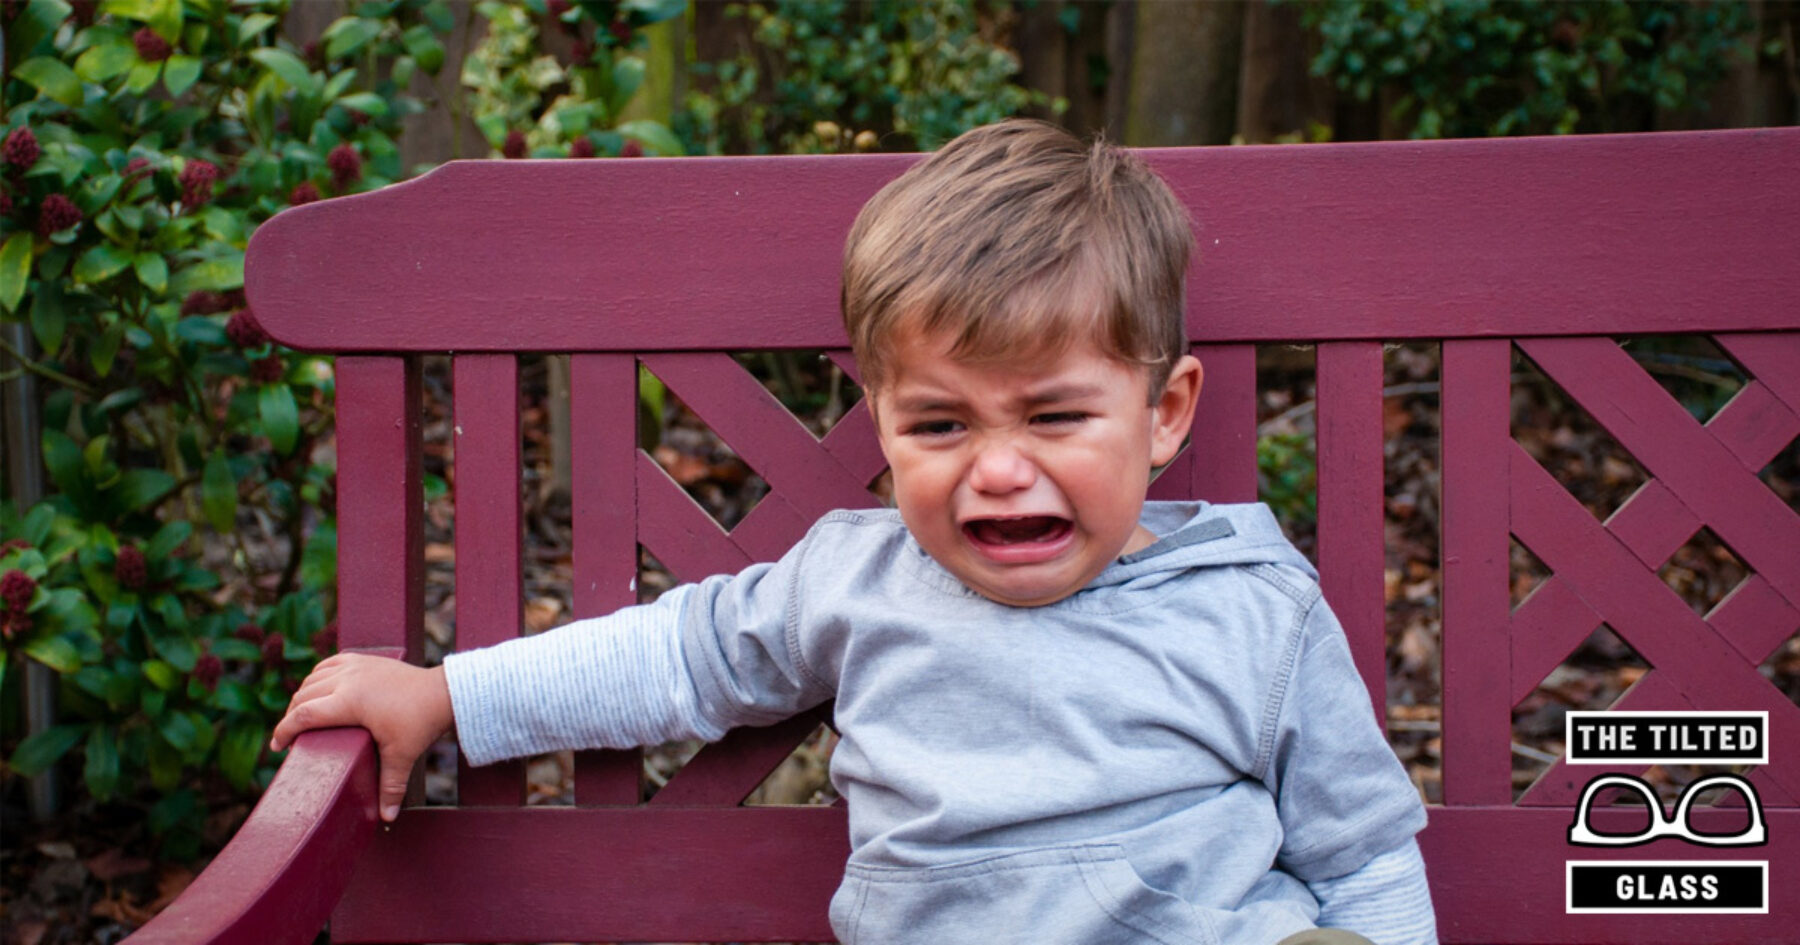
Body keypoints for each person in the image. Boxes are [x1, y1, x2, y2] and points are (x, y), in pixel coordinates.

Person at [272, 119, 1436, 945]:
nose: (998, 469)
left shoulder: (1248, 605)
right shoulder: (858, 580)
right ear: (879, 420)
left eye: (1056, 416)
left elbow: (1362, 854)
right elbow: (677, 658)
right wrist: (446, 700)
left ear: (1165, 411)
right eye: (938, 422)